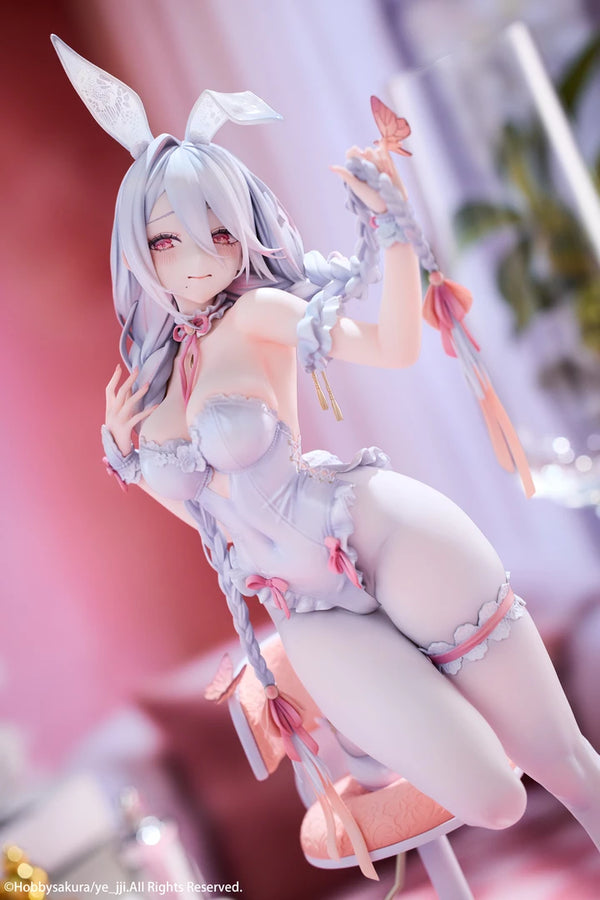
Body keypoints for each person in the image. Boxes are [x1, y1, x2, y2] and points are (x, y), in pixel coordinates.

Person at [53, 34, 600, 881]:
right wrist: (124, 454)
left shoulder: (257, 314)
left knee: (564, 762)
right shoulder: (150, 382)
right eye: (168, 242)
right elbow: (213, 521)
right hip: (309, 609)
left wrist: (392, 231)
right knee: (495, 798)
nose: (199, 261)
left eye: (219, 233)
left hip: (379, 530)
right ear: (137, 248)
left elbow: (388, 347)